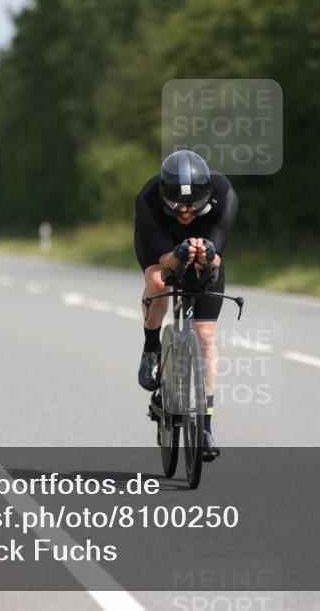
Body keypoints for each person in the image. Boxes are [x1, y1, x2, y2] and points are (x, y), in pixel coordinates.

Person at [134, 150, 238, 458]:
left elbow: (217, 257)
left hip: (206, 243)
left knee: (206, 336)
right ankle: (151, 346)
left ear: (207, 195)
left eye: (193, 205)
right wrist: (176, 255)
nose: (185, 212)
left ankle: (204, 425)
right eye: (177, 205)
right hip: (163, 242)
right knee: (156, 282)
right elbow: (163, 260)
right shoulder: (148, 198)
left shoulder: (225, 193)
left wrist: (206, 253)